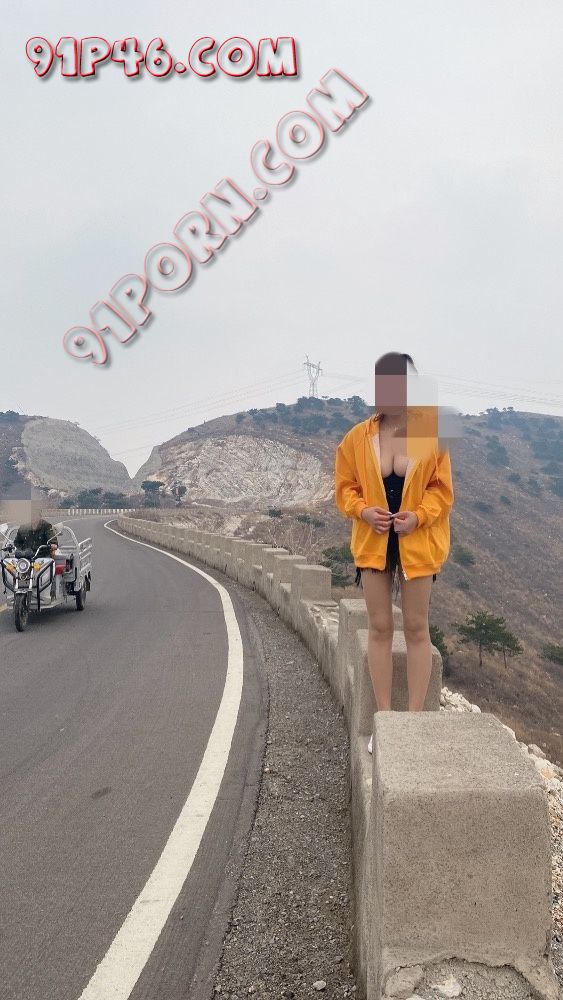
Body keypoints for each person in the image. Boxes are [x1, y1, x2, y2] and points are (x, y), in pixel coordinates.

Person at [334, 352, 455, 752]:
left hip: (417, 544)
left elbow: (442, 491)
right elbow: (345, 488)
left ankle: (415, 723)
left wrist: (418, 517)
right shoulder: (357, 438)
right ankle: (383, 720)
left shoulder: (427, 434)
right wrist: (363, 511)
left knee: (417, 628)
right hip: (373, 543)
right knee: (380, 627)